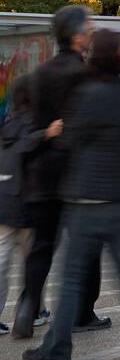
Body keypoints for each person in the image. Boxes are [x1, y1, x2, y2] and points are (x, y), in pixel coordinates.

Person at [23, 29, 120, 360]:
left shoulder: (85, 93)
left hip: (85, 199)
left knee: (72, 276)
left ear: (93, 57)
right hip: (119, 198)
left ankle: (57, 348)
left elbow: (68, 142)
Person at [13, 5, 107, 339]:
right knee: (87, 246)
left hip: (41, 175)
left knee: (42, 246)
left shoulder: (38, 75)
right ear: (77, 34)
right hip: (76, 175)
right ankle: (83, 312)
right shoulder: (86, 75)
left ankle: (28, 305)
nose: (93, 31)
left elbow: (30, 126)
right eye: (90, 26)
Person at [0, 77, 62, 335]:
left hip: (3, 202)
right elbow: (24, 147)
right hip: (27, 204)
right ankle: (35, 311)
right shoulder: (35, 123)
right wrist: (45, 134)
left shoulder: (8, 122)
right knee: (35, 263)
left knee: (1, 262)